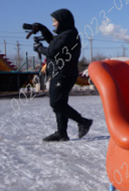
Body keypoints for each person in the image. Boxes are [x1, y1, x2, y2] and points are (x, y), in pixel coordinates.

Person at [33, 9, 93, 142]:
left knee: (56, 102)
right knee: (60, 102)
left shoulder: (69, 35)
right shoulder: (65, 34)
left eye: (55, 21)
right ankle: (62, 133)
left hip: (63, 73)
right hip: (60, 73)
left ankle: (83, 121)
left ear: (63, 21)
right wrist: (43, 29)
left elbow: (52, 51)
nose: (53, 24)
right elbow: (53, 43)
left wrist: (39, 48)